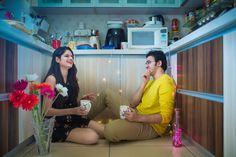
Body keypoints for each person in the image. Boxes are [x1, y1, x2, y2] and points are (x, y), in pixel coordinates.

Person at [88, 50, 176, 142]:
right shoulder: (150, 82)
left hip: (151, 126)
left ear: (159, 63)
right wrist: (143, 83)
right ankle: (81, 119)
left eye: (149, 62)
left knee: (109, 130)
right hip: (137, 114)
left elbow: (166, 117)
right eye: (146, 63)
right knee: (107, 93)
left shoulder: (166, 82)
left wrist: (137, 118)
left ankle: (85, 124)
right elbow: (133, 103)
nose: (146, 65)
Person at [44, 46, 103, 144]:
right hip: (57, 123)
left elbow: (69, 104)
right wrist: (73, 110)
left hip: (73, 118)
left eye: (72, 56)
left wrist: (82, 100)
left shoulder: (73, 79)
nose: (71, 58)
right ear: (57, 59)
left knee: (105, 131)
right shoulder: (51, 79)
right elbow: (46, 111)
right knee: (93, 137)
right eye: (66, 56)